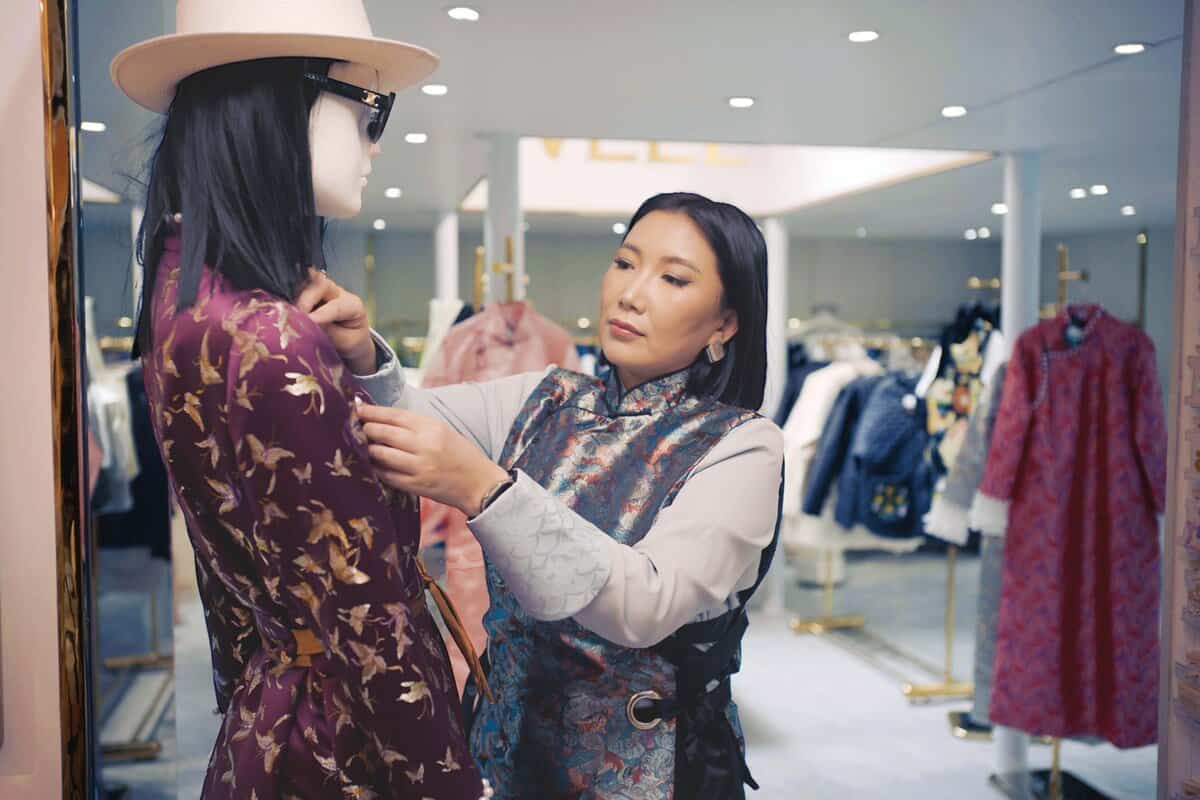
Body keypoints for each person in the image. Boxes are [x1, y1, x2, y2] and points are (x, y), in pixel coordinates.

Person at [112, 2, 489, 797]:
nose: (376, 144)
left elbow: (235, 588)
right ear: (283, 104)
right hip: (340, 746)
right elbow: (372, 620)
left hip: (280, 714)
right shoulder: (271, 336)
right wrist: (453, 784)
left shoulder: (186, 303)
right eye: (369, 110)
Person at [304, 192, 784, 799]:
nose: (631, 293)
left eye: (673, 278)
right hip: (501, 753)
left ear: (725, 323)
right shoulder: (549, 398)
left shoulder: (742, 446)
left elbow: (645, 605)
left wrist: (481, 488)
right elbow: (408, 416)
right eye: (625, 262)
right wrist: (363, 354)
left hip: (648, 776)